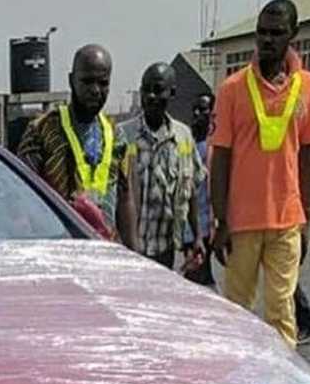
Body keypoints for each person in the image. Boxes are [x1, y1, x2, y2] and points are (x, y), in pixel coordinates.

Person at [209, 0, 310, 346]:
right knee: (238, 311)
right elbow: (221, 157)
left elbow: (306, 155)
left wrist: (306, 219)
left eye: (276, 33)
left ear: (294, 35)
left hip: (286, 221)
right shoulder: (232, 89)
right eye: (261, 33)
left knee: (281, 313)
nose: (267, 40)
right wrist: (221, 221)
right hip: (242, 222)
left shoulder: (309, 87)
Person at [18, 45, 138, 250]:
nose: (95, 90)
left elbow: (125, 196)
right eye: (87, 81)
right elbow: (21, 193)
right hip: (59, 250)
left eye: (103, 83)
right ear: (71, 80)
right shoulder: (43, 129)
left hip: (105, 251)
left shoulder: (115, 135)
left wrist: (134, 252)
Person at [119, 63, 205, 270]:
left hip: (165, 250)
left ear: (172, 93)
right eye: (145, 89)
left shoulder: (183, 136)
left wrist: (197, 236)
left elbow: (191, 189)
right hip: (129, 249)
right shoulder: (123, 135)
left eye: (158, 90)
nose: (150, 96)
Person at [183, 92, 217, 286]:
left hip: (208, 226)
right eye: (194, 110)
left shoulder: (216, 146)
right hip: (191, 226)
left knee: (198, 276)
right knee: (197, 276)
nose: (197, 114)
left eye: (203, 110)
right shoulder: (188, 144)